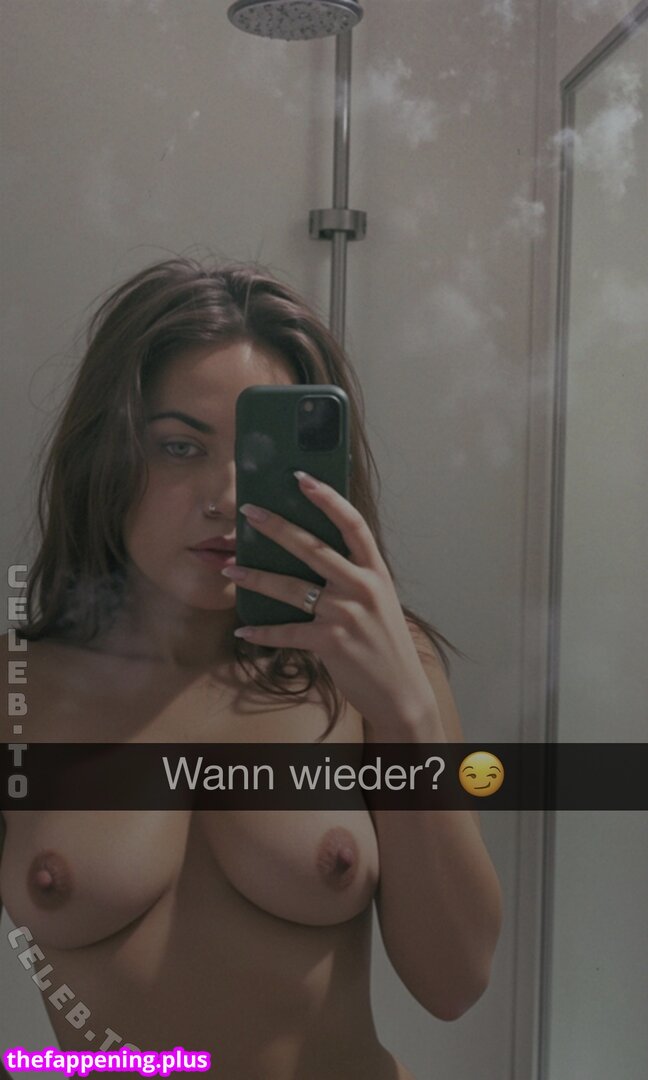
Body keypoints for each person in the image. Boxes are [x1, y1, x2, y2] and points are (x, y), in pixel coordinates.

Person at [0, 257, 502, 1079]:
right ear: (108, 455)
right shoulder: (19, 690)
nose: (225, 497)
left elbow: (456, 983)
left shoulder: (376, 668)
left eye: (260, 453)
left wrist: (406, 715)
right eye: (178, 447)